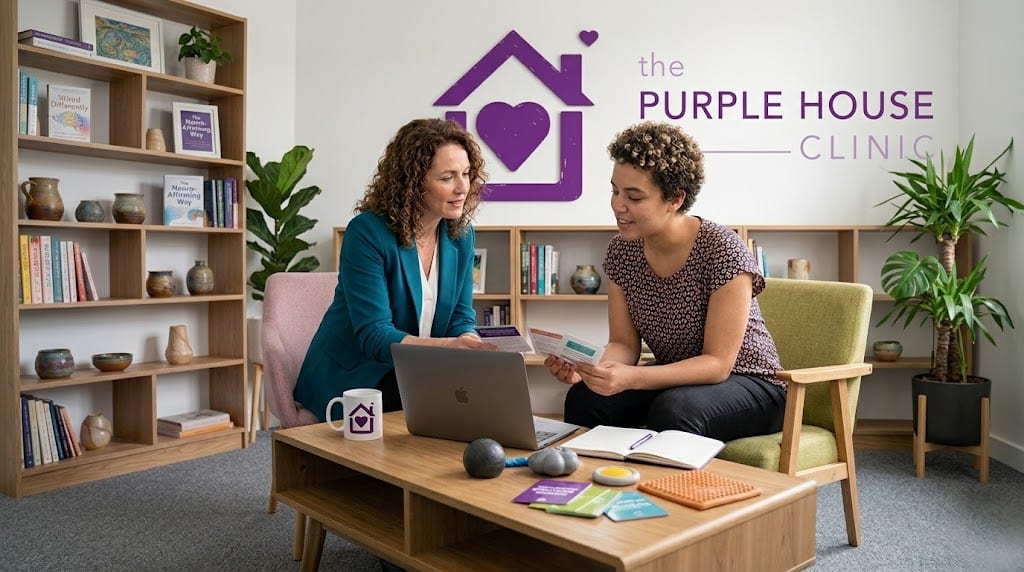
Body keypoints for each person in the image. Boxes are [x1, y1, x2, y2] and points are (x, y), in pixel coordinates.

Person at [545, 121, 787, 442]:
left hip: (753, 383)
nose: (618, 205)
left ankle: (670, 492)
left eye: (634, 196)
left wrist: (633, 377)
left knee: (675, 409)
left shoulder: (722, 249)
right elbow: (624, 345)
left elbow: (717, 365)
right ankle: (593, 488)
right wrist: (590, 370)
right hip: (679, 382)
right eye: (615, 190)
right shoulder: (621, 251)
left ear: (674, 199)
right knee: (586, 399)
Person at [294, 118, 495, 422]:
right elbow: (375, 336)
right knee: (445, 407)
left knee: (486, 395)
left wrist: (470, 343)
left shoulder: (461, 236)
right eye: (447, 177)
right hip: (359, 374)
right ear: (413, 182)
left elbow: (460, 316)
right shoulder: (367, 233)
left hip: (419, 371)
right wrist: (450, 348)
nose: (462, 187)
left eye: (466, 174)